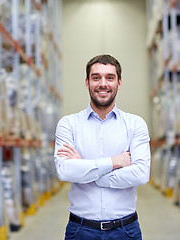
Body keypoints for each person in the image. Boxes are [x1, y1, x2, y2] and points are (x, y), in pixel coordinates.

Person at [54, 54, 151, 240]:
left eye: (110, 78)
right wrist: (116, 162)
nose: (103, 84)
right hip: (80, 230)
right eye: (96, 77)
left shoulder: (135, 124)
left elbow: (141, 174)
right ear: (87, 82)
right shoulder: (69, 124)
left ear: (119, 83)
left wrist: (88, 170)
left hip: (125, 230)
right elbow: (65, 171)